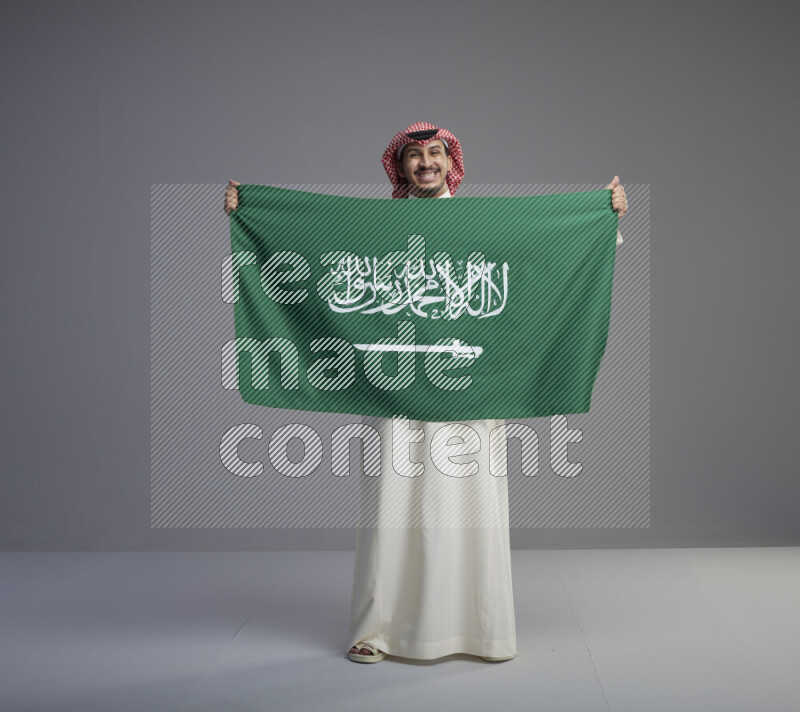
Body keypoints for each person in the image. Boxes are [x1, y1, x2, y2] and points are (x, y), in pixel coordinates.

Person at [223, 122, 628, 664]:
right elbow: (312, 251)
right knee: (391, 510)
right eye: (415, 156)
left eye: (435, 153)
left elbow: (547, 255)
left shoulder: (483, 226)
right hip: (393, 396)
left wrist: (606, 217)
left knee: (470, 508)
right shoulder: (377, 230)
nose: (426, 163)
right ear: (400, 168)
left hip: (471, 394)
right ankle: (375, 631)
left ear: (451, 163)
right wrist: (248, 211)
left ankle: (481, 632)